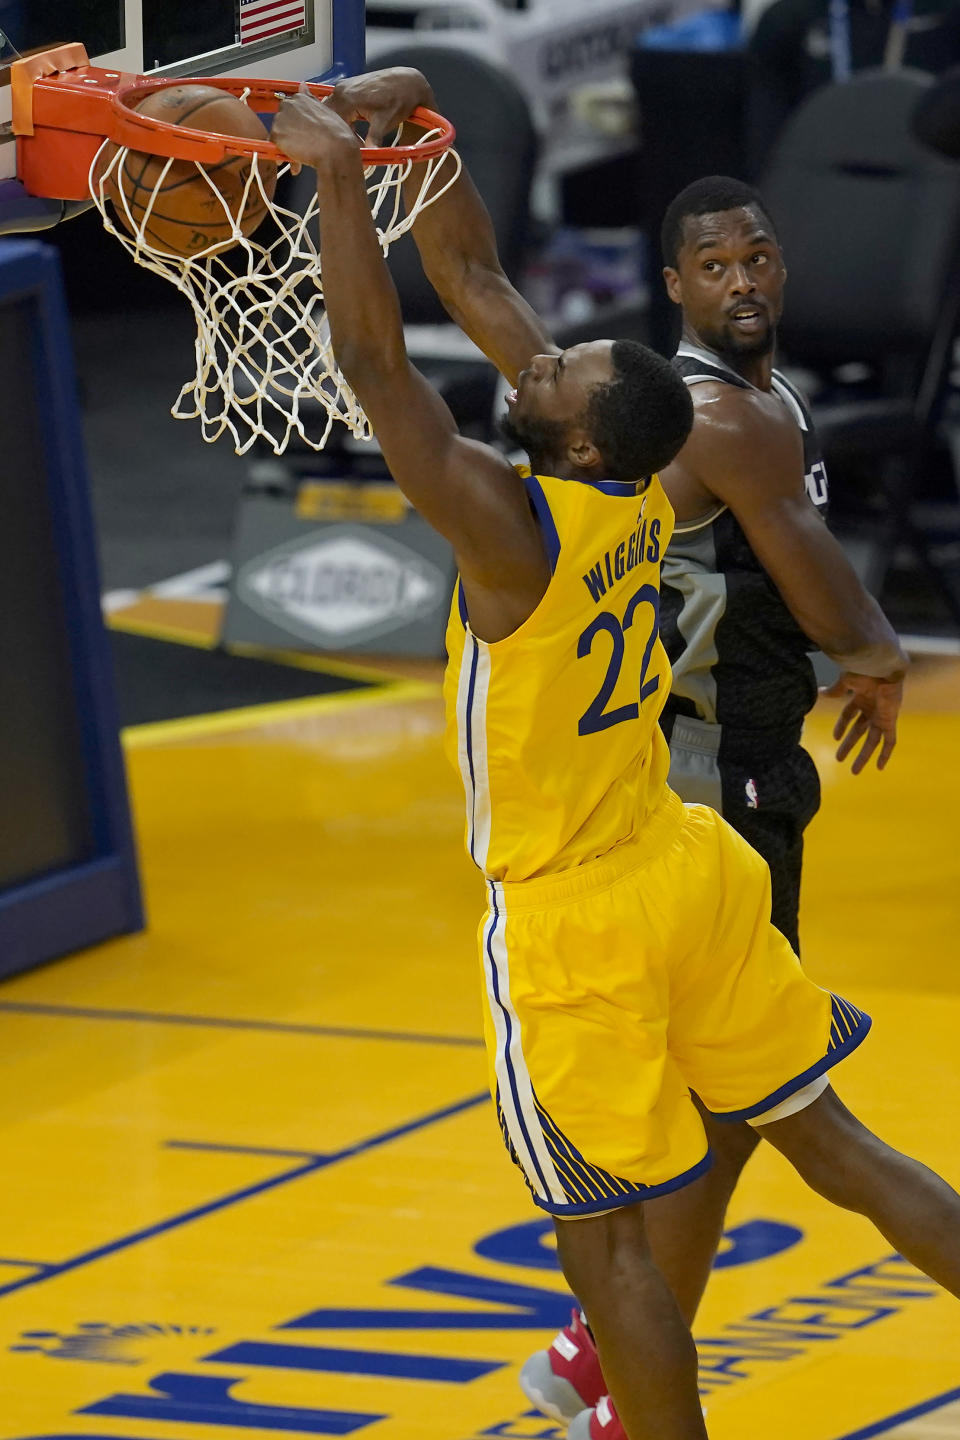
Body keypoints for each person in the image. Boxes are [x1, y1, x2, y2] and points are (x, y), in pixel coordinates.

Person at [271, 72, 960, 1440]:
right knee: (838, 1146)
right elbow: (469, 271)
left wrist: (337, 181)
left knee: (611, 1252)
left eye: (553, 371)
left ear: (573, 432)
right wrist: (422, 137)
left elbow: (374, 367)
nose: (536, 362)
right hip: (685, 868)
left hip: (580, 917)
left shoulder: (506, 533)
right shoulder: (636, 466)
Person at [519, 174, 911, 1433]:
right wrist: (878, 660)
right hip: (713, 785)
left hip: (701, 776)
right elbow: (835, 606)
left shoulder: (690, 407)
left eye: (759, 256)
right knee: (769, 1108)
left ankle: (603, 1356)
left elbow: (489, 303)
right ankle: (615, 1370)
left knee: (740, 1104)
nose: (743, 280)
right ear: (675, 286)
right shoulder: (722, 423)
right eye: (716, 264)